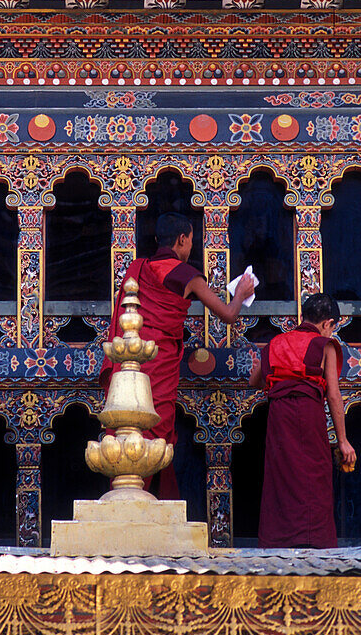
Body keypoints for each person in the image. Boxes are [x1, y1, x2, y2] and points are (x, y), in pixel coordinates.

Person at [100, 212, 254, 498]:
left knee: (125, 428)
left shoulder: (138, 268)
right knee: (154, 428)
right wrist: (242, 291)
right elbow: (228, 315)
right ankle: (137, 500)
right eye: (191, 242)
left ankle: (125, 496)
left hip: (129, 361)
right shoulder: (187, 276)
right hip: (159, 362)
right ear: (182, 239)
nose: (190, 248)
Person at [249, 291, 356, 548]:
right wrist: (343, 441)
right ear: (328, 323)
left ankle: (278, 541)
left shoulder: (277, 342)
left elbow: (254, 380)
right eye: (332, 328)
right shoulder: (324, 345)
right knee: (313, 474)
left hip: (278, 414)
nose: (331, 333)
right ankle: (313, 542)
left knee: (280, 475)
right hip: (307, 414)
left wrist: (284, 375)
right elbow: (333, 395)